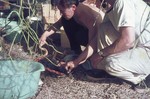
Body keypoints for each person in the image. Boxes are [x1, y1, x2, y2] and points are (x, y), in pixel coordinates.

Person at [62, 0, 150, 92]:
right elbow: (96, 39)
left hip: (146, 48)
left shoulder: (122, 2)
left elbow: (127, 41)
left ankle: (145, 79)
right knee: (104, 28)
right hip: (138, 43)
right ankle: (107, 72)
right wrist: (76, 61)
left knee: (111, 63)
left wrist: (101, 54)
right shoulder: (112, 6)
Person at [39, 0, 104, 55]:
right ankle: (76, 51)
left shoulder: (90, 17)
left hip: (99, 44)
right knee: (65, 21)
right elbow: (58, 24)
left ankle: (85, 57)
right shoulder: (74, 11)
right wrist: (44, 35)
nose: (61, 13)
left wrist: (76, 62)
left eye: (62, 11)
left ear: (73, 7)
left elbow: (93, 44)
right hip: (89, 37)